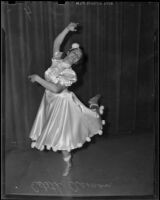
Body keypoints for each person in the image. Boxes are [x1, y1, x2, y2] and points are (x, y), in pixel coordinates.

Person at [28, 22, 105, 176]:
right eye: (74, 52)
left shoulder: (71, 75)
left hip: (62, 104)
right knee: (48, 129)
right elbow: (57, 43)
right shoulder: (56, 60)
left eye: (78, 56)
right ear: (69, 51)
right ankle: (93, 103)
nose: (75, 55)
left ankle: (67, 163)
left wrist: (38, 78)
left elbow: (56, 89)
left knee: (64, 138)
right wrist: (67, 30)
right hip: (49, 101)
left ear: (77, 61)